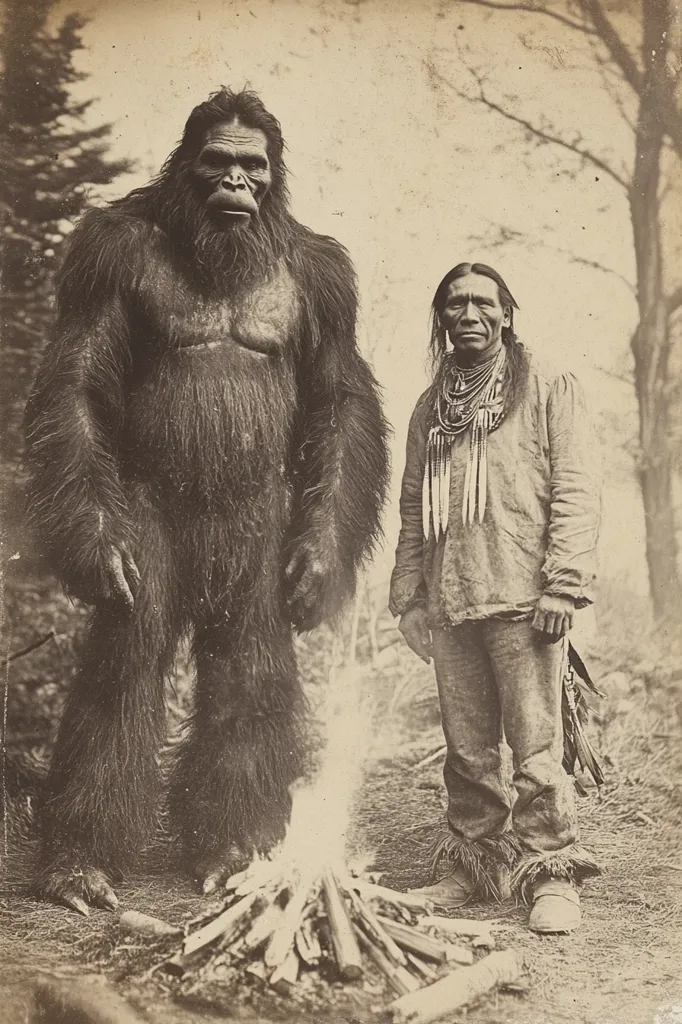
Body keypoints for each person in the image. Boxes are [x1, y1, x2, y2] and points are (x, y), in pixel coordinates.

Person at [389, 262, 601, 934]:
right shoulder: (432, 405)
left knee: (535, 748)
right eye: (455, 304)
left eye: (483, 303)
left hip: (523, 599)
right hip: (452, 600)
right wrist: (409, 597)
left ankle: (552, 871)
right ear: (442, 317)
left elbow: (575, 488)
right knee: (468, 748)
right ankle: (475, 864)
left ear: (507, 313)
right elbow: (412, 511)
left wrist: (563, 584)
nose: (469, 315)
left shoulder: (544, 386)